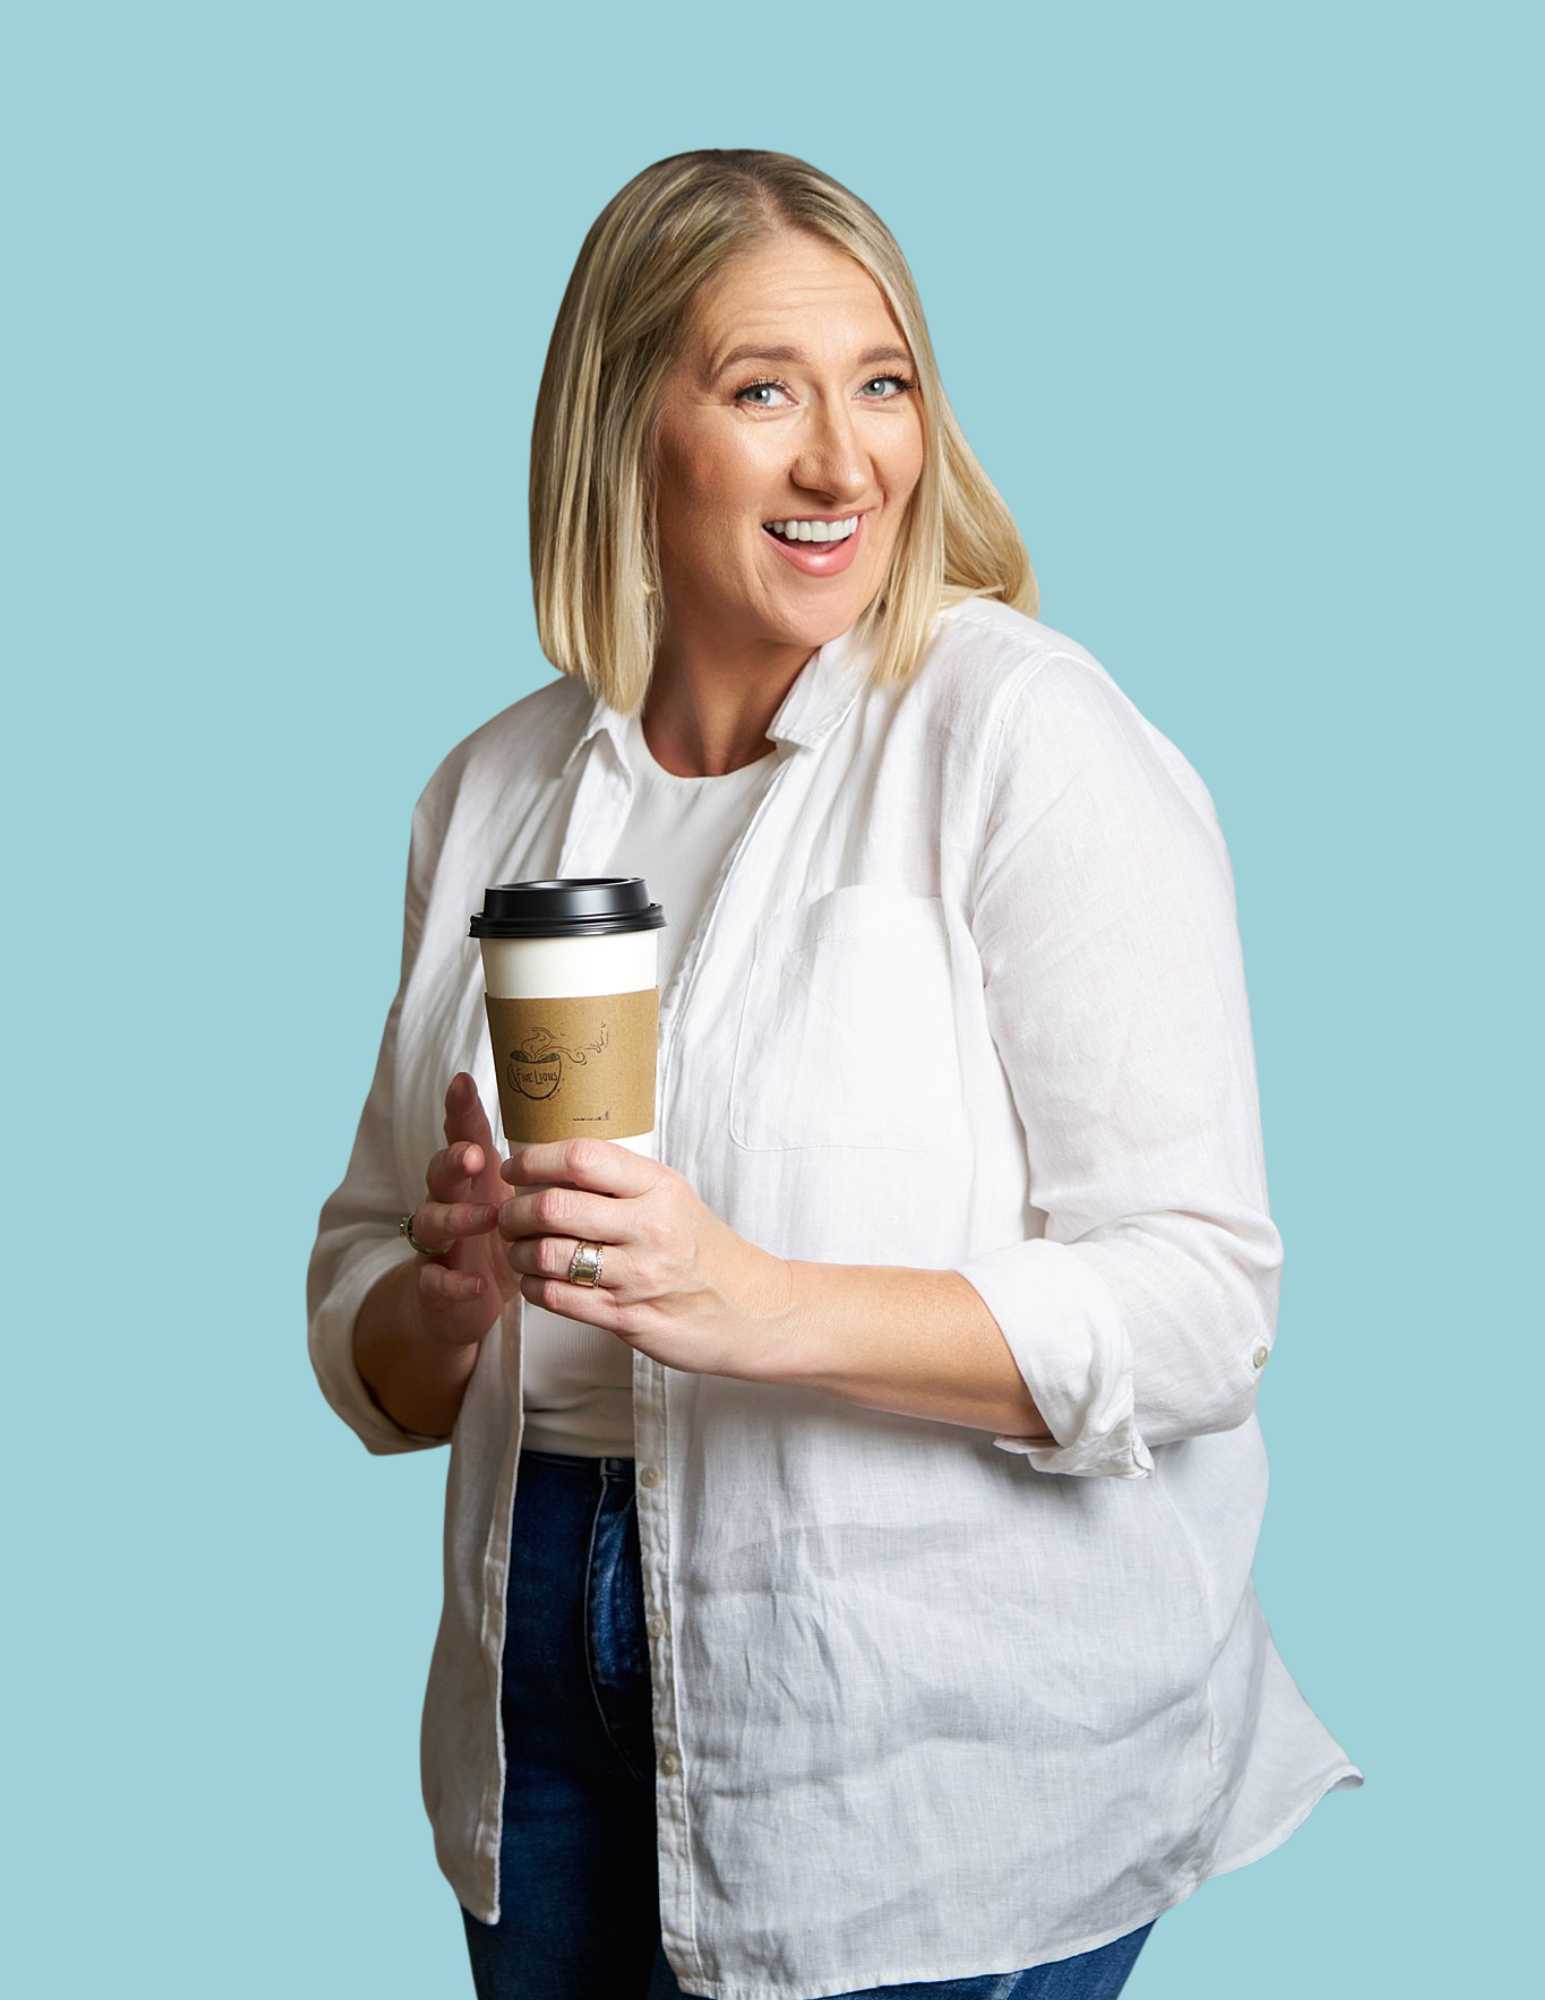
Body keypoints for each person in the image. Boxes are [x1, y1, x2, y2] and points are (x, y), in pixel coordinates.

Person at [307, 149, 1362, 2000]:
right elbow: (363, 1334)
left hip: (933, 1719)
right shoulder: (487, 796)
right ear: (625, 427)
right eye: (761, 389)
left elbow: (1205, 1305)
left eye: (883, 385)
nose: (843, 461)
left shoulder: (1020, 736)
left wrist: (752, 1303)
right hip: (534, 1693)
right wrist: (446, 1296)